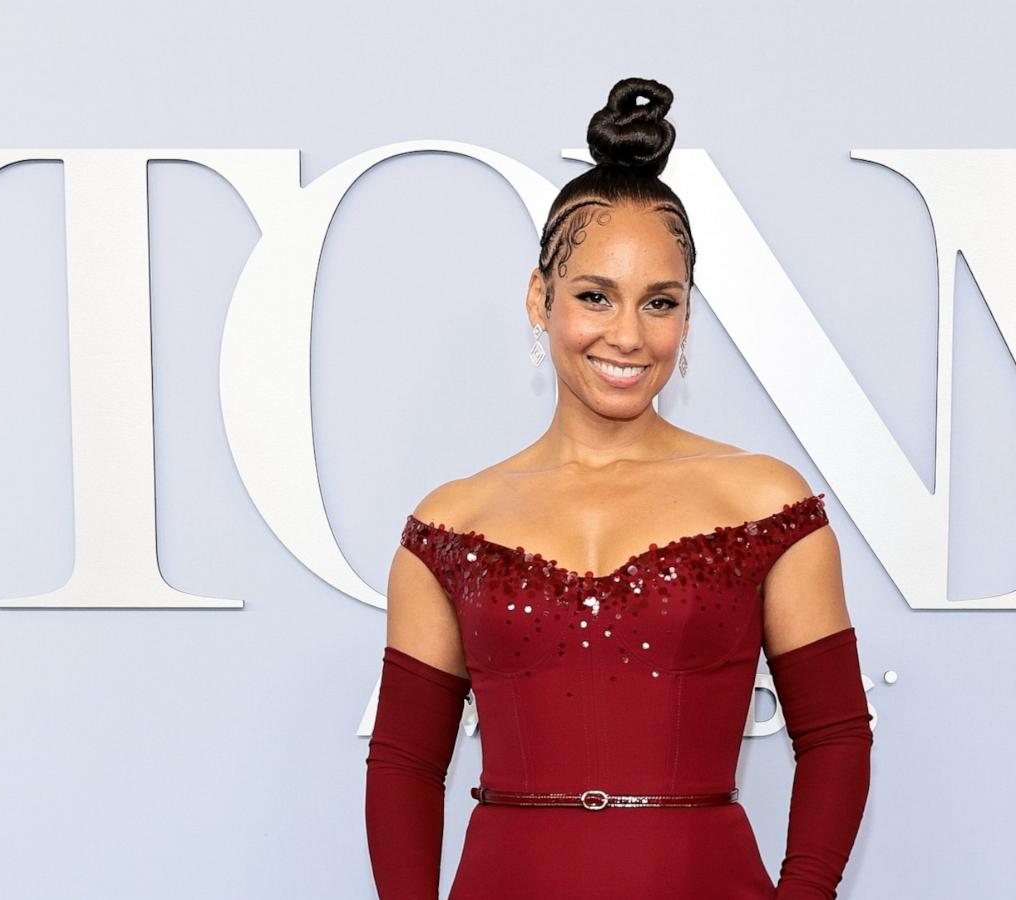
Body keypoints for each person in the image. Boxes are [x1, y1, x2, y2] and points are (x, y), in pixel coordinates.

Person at [365, 76, 872, 899]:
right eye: (595, 296)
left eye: (659, 302)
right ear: (541, 299)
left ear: (686, 316)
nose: (628, 335)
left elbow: (838, 737)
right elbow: (405, 765)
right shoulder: (449, 526)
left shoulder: (767, 506)